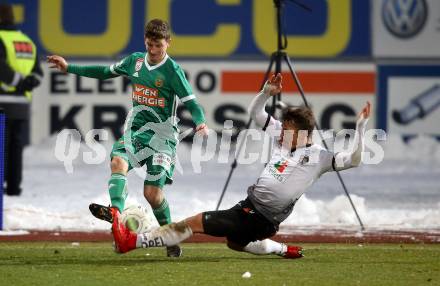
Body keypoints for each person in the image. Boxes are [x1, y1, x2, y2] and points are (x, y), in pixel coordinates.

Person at [106, 73, 371, 258]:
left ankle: (132, 242)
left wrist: (359, 127)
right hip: (250, 206)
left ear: (303, 134)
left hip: (261, 216)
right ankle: (282, 250)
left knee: (194, 222)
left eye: (287, 129)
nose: (280, 132)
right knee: (235, 244)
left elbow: (354, 159)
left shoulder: (319, 156)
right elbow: (256, 113)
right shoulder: (282, 137)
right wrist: (267, 92)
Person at [47, 19, 209, 257]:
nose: (153, 51)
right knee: (117, 163)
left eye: (159, 46)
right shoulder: (135, 61)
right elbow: (104, 72)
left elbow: (192, 104)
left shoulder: (172, 71)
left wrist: (200, 122)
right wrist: (69, 67)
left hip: (163, 138)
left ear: (168, 43)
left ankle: (171, 237)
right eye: (150, 44)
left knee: (152, 194)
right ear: (145, 40)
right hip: (137, 132)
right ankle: (116, 215)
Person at [0, 3, 43, 196]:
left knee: (2, 145)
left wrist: (17, 81)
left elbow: (1, 68)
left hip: (2, 101)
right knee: (15, 146)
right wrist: (27, 83)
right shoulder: (26, 42)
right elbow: (38, 74)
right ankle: (14, 187)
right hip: (21, 104)